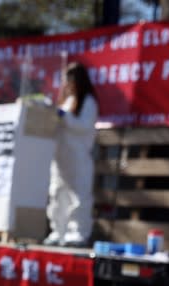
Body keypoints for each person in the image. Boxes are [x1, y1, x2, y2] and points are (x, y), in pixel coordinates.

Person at [44, 62, 99, 248]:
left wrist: (64, 116)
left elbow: (83, 126)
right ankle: (57, 231)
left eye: (70, 80)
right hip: (60, 159)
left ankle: (78, 233)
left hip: (78, 157)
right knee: (58, 195)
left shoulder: (88, 102)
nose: (67, 84)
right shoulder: (67, 101)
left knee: (79, 197)